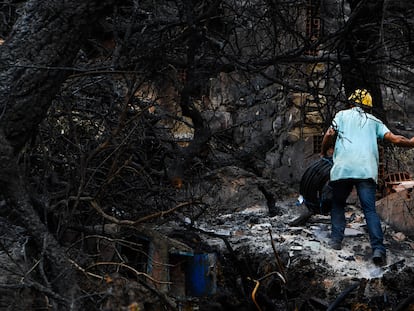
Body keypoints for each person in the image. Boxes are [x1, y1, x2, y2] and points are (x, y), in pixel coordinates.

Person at [321, 89, 414, 266]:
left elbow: (329, 134)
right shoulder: (374, 121)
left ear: (351, 103)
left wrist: (323, 151)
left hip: (343, 169)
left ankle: (335, 241)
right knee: (369, 210)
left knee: (338, 204)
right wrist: (410, 142)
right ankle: (378, 249)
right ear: (368, 106)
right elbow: (394, 139)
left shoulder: (341, 115)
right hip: (366, 171)